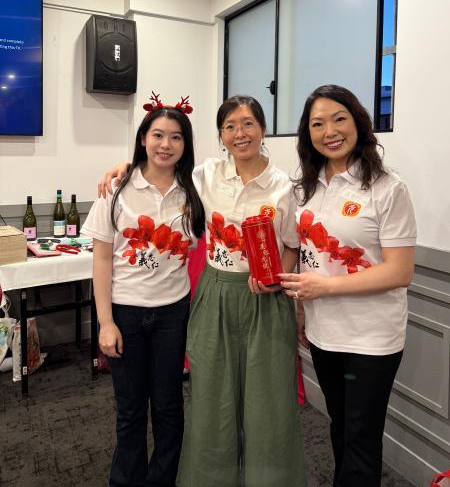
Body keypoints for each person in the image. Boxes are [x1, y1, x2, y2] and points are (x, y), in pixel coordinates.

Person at [99, 95, 306, 487]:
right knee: (212, 399)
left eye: (248, 124)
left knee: (267, 401)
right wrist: (127, 166)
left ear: (263, 129)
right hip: (214, 295)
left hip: (265, 298)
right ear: (221, 135)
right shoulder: (204, 176)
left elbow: (293, 245)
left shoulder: (284, 187)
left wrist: (277, 277)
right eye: (230, 126)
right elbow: (161, 164)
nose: (239, 133)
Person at [279, 84, 417, 487]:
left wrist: (325, 288)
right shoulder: (307, 188)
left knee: (361, 437)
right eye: (317, 124)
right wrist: (302, 310)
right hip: (324, 331)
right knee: (339, 426)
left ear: (358, 122)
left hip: (371, 337)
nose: (330, 131)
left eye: (339, 119)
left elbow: (399, 272)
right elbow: (307, 255)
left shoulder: (387, 188)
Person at [82, 93, 205, 487]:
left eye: (176, 137)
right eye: (158, 135)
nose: (166, 144)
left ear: (185, 144)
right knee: (130, 409)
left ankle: (162, 479)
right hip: (125, 314)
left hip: (173, 313)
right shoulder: (117, 190)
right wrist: (105, 323)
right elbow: (102, 260)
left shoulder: (195, 189)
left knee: (169, 406)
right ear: (142, 139)